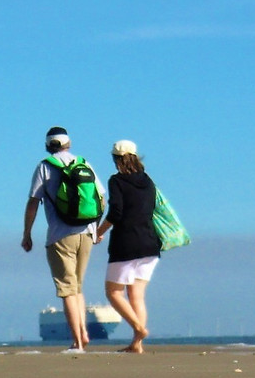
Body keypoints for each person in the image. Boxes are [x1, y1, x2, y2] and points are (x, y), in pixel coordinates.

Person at [22, 126, 105, 352]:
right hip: (86, 233)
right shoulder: (84, 163)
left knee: (67, 289)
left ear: (49, 145)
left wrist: (27, 234)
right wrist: (96, 229)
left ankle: (78, 342)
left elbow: (33, 202)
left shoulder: (45, 167)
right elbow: (101, 198)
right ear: (68, 143)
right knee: (77, 287)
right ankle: (83, 333)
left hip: (60, 235)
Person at [94, 140, 159, 353]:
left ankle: (139, 330)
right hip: (150, 243)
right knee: (137, 295)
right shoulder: (148, 181)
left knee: (113, 292)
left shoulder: (116, 181)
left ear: (116, 159)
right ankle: (136, 344)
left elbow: (116, 213)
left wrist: (98, 232)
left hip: (126, 244)